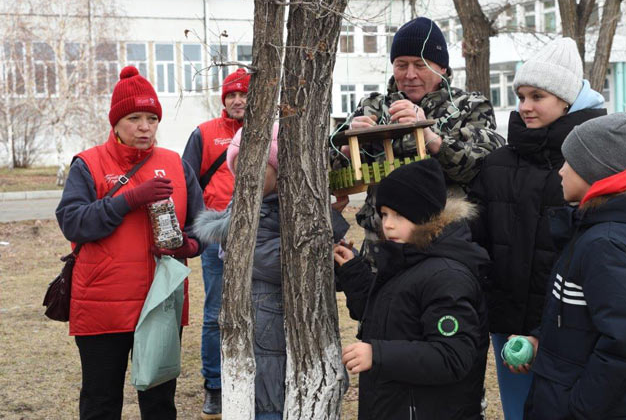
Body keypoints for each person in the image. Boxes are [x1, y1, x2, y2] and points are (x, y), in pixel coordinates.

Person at [55, 65, 205, 420]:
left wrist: (189, 247)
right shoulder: (88, 164)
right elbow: (72, 222)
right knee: (101, 401)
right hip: (102, 305)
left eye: (152, 118)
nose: (144, 126)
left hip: (160, 304)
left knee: (158, 402)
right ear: (116, 122)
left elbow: (202, 225)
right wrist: (128, 199)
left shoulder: (176, 165)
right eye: (134, 117)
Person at [467, 37, 606, 419]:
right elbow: (474, 240)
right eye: (521, 95)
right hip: (508, 325)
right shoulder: (496, 165)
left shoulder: (590, 166)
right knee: (518, 412)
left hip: (571, 325)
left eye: (537, 96)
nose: (525, 106)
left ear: (567, 100)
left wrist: (544, 330)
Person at [522, 113, 626, 419]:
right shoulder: (594, 229)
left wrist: (578, 407)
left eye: (570, 162)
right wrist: (542, 337)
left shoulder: (604, 242)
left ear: (595, 171)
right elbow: (584, 312)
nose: (561, 171)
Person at [193, 123, 351, 420]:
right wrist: (326, 235)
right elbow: (282, 263)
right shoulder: (245, 216)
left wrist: (336, 244)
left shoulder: (290, 207)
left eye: (258, 167)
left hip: (293, 332)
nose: (247, 177)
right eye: (240, 168)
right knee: (271, 406)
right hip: (267, 336)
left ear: (282, 171)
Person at [333, 158, 490, 420]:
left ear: (426, 215)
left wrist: (378, 355)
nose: (388, 224)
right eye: (384, 214)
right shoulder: (407, 259)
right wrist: (353, 271)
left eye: (399, 215)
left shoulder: (447, 276)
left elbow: (452, 356)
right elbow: (383, 315)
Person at [331, 16, 504, 251]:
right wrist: (346, 150)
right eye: (401, 65)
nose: (410, 74)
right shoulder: (373, 106)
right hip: (380, 245)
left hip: (442, 243)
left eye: (420, 65)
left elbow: (478, 166)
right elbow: (332, 179)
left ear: (442, 68)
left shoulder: (470, 106)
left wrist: (430, 136)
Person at [181, 67, 248, 418]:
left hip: (259, 232)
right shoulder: (205, 134)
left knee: (258, 307)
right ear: (224, 99)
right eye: (231, 95)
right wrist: (198, 226)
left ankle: (249, 377)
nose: (237, 100)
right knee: (214, 314)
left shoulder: (267, 130)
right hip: (216, 235)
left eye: (243, 94)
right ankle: (214, 386)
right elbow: (186, 178)